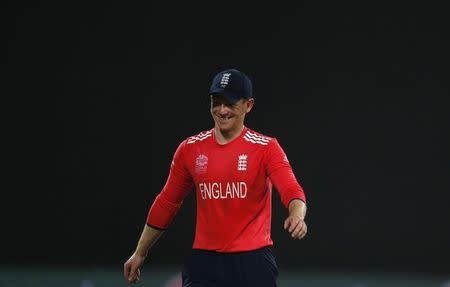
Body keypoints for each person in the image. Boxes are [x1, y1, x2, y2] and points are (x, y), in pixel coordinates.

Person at [123, 68, 308, 287]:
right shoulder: (190, 149)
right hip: (205, 263)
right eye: (216, 102)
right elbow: (167, 203)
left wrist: (297, 215)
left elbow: (292, 190)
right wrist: (140, 252)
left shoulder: (266, 148)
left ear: (248, 105)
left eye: (230, 103)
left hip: (253, 262)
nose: (222, 110)